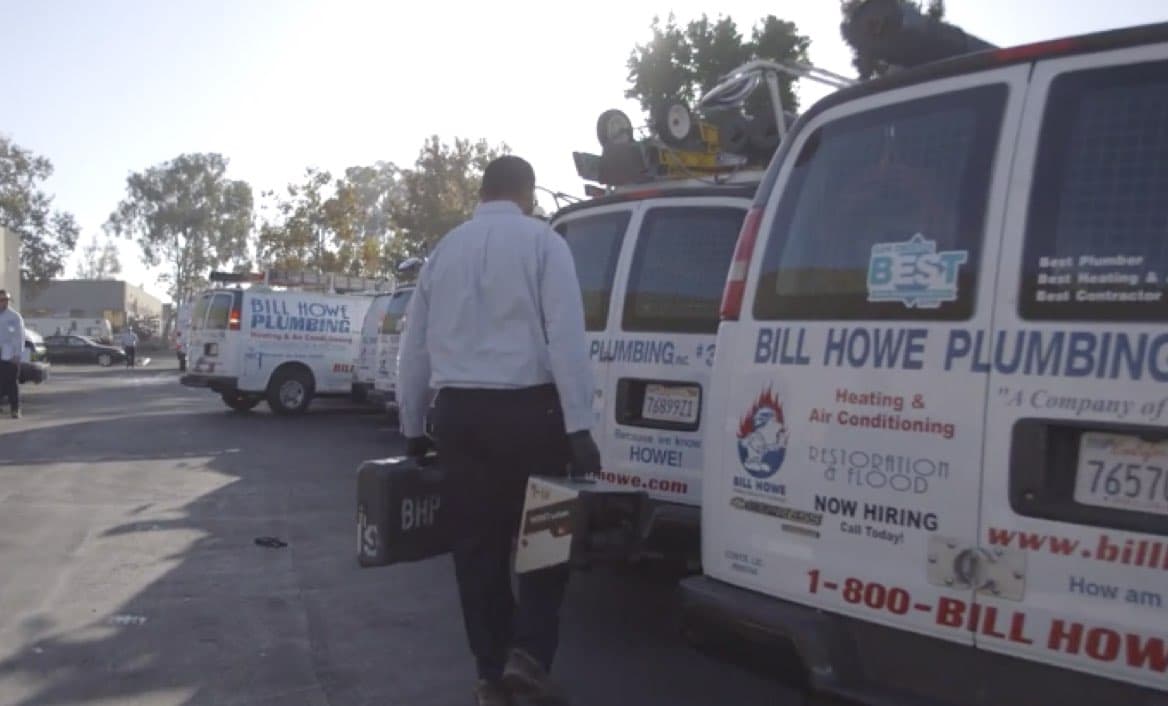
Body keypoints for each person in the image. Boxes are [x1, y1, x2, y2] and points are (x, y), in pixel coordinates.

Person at [397, 155, 601, 706]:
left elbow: (414, 347)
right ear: (527, 194)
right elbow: (566, 337)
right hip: (533, 416)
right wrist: (580, 424)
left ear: (482, 192)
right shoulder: (544, 245)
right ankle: (528, 658)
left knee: (476, 551)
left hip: (459, 419)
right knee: (546, 536)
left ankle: (490, 674)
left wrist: (413, 426)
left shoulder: (444, 252)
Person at [0, 289, 25, 419]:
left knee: (11, 383)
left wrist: (17, 354)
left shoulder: (14, 317)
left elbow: (19, 337)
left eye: (5, 300)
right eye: (1, 300)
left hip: (9, 355)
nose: (3, 302)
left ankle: (15, 409)